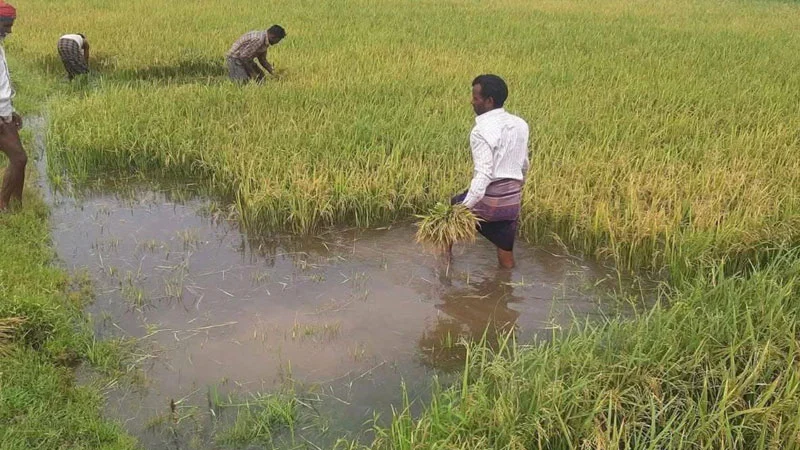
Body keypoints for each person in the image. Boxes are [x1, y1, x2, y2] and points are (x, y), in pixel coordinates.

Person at [451, 74, 530, 269]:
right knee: (505, 245)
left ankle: (444, 264)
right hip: (512, 202)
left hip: (490, 202)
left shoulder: (480, 131)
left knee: (452, 208)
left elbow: (484, 174)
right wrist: (516, 189)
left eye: (475, 98)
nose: (472, 102)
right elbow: (524, 164)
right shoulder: (520, 124)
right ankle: (505, 284)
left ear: (489, 101)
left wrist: (462, 208)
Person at [0, 2, 25, 211]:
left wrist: (11, 110)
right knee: (18, 158)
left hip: (4, 113)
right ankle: (3, 204)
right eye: (7, 25)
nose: (10, 30)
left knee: (20, 159)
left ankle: (17, 203)